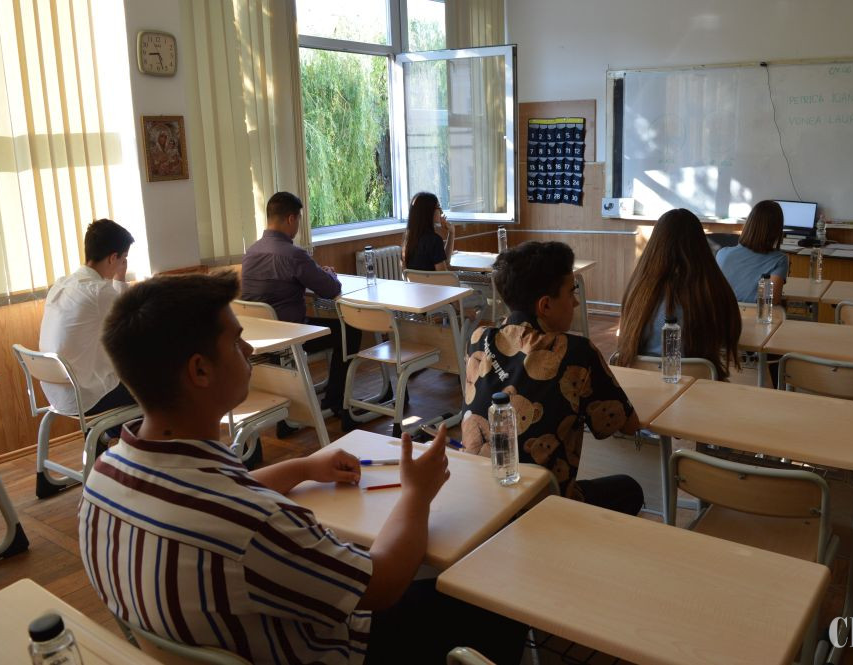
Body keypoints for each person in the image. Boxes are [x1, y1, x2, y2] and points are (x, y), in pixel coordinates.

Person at [82, 272, 527, 664]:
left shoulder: (104, 476)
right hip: (343, 650)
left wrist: (302, 467)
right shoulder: (252, 525)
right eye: (235, 341)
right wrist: (417, 494)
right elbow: (383, 583)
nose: (248, 349)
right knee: (496, 595)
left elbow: (220, 494)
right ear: (200, 371)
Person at [462, 241, 644, 515]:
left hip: (481, 499)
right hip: (542, 504)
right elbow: (628, 425)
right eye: (571, 292)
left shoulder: (479, 339)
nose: (576, 302)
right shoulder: (575, 352)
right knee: (630, 489)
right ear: (545, 305)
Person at [241, 192, 361, 418]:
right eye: (298, 220)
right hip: (291, 336)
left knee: (335, 330)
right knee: (350, 331)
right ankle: (336, 401)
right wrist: (329, 274)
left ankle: (292, 413)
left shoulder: (250, 253)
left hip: (259, 337)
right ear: (291, 219)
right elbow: (330, 290)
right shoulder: (293, 255)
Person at [614, 208, 741, 380]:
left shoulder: (637, 290)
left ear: (655, 246)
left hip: (641, 385)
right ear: (701, 246)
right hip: (701, 385)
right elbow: (727, 337)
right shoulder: (713, 288)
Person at [38, 218, 136, 418]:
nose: (122, 264)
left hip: (57, 393)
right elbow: (130, 325)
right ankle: (114, 432)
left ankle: (106, 433)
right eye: (123, 258)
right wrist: (120, 279)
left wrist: (118, 278)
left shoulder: (61, 284)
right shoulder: (98, 292)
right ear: (113, 258)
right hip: (84, 397)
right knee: (157, 387)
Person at [716, 199, 789, 304]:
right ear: (777, 231)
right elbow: (770, 301)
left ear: (748, 224)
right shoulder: (779, 260)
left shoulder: (722, 254)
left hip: (723, 313)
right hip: (756, 314)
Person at [402, 192, 453, 271]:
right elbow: (443, 275)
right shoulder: (435, 240)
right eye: (438, 207)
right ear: (429, 212)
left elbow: (445, 262)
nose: (441, 211)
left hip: (414, 280)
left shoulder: (408, 239)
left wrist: (451, 232)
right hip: (434, 280)